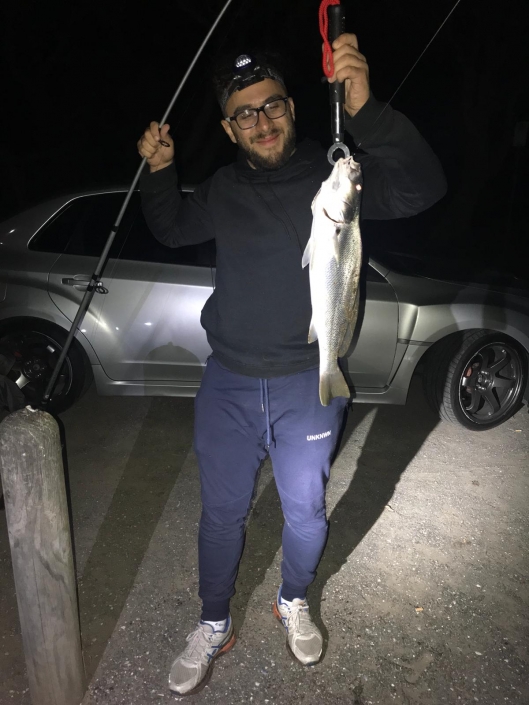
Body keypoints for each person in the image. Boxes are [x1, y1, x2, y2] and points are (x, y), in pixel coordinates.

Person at [137, 34, 446, 696]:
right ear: (227, 128)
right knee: (220, 514)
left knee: (305, 512)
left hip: (310, 382)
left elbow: (423, 186)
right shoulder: (220, 190)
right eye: (244, 113)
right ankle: (214, 621)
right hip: (227, 383)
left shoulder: (332, 175)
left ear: (293, 108)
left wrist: (367, 115)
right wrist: (160, 170)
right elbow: (168, 228)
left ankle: (293, 598)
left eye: (272, 104)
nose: (262, 120)